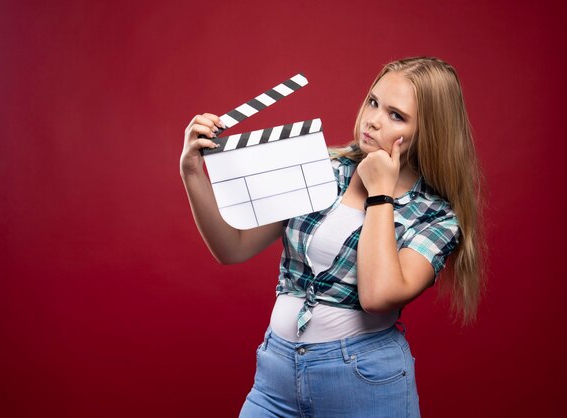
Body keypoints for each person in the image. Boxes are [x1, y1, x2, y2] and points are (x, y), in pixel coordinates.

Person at [180, 57, 484, 418]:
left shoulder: (436, 216)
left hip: (364, 385)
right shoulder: (319, 169)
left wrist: (380, 195)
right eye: (373, 102)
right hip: (275, 377)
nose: (372, 119)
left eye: (396, 115)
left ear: (427, 132)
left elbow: (377, 296)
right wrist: (193, 173)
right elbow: (234, 247)